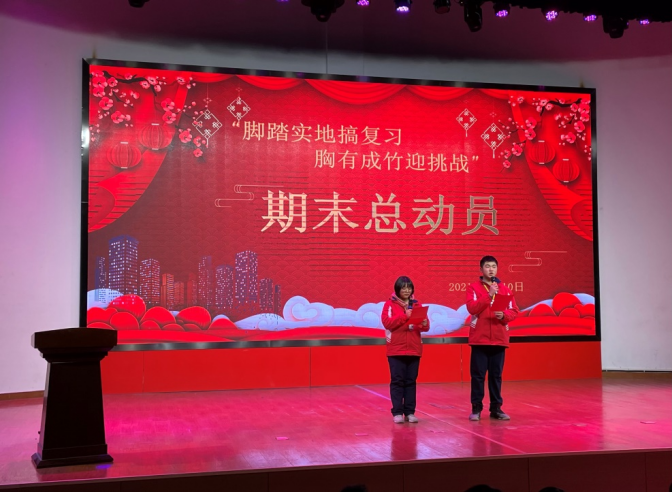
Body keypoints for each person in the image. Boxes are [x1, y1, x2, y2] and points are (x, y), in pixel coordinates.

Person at [466, 255, 519, 421]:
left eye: (494, 266)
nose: (491, 269)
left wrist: (504, 315)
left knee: (496, 376)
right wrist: (489, 295)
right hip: (480, 339)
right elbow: (472, 308)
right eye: (487, 266)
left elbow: (514, 311)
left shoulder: (505, 290)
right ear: (481, 269)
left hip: (499, 338)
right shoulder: (473, 288)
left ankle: (496, 408)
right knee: (478, 376)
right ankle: (476, 409)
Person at [381, 276, 430, 424]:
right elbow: (387, 323)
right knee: (397, 381)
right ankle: (397, 412)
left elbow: (426, 327)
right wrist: (404, 316)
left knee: (410, 382)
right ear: (397, 289)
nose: (407, 290)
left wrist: (423, 323)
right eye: (403, 288)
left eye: (409, 288)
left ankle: (410, 412)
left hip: (414, 349)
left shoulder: (417, 304)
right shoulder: (389, 304)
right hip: (396, 350)